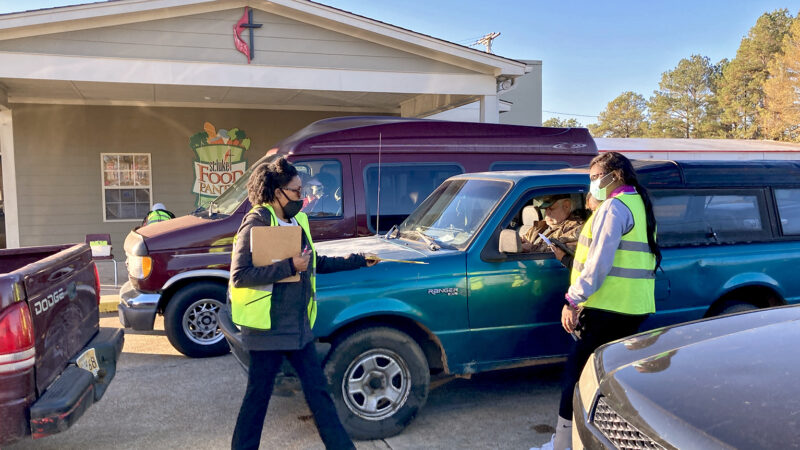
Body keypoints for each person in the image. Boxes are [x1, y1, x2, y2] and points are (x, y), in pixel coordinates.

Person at [229, 157, 378, 450]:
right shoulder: (257, 222)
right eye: (297, 192)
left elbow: (313, 263)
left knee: (319, 393)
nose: (303, 198)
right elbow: (240, 276)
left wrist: (358, 260)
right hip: (267, 331)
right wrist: (289, 266)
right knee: (257, 400)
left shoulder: (298, 220)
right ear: (276, 192)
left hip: (297, 328)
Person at [531, 152, 662, 450]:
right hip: (634, 308)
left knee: (575, 379)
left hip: (604, 310)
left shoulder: (613, 208)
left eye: (594, 177)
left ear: (615, 175)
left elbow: (599, 264)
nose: (591, 184)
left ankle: (562, 444)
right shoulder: (638, 204)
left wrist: (572, 301)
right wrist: (567, 260)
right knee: (615, 381)